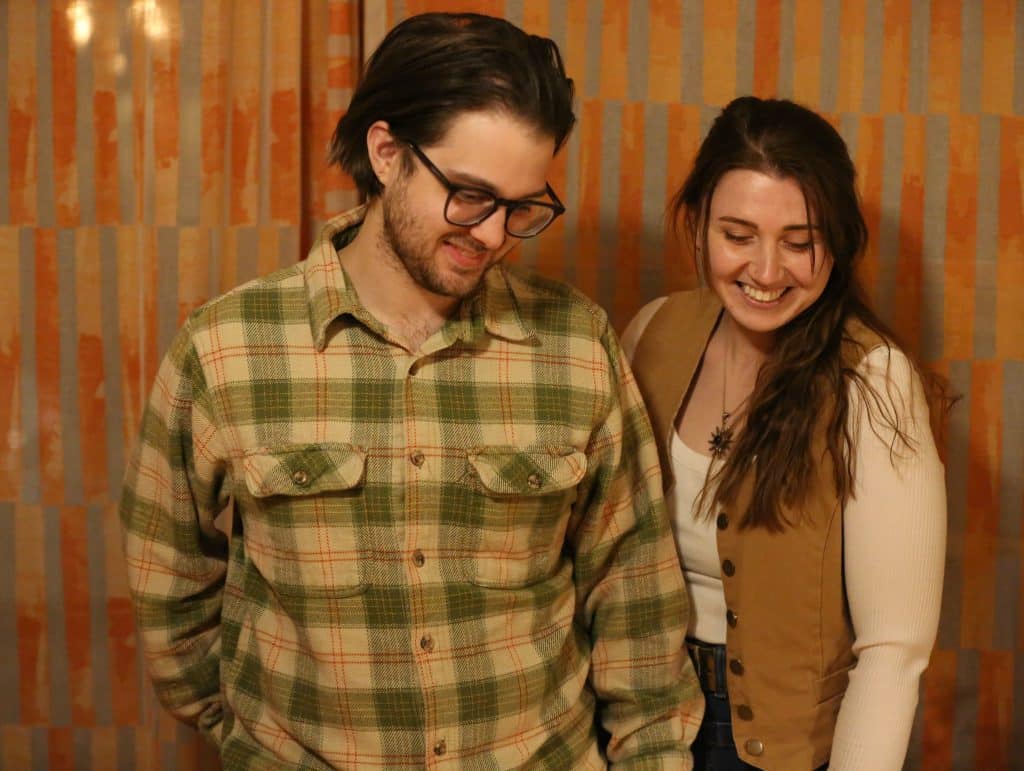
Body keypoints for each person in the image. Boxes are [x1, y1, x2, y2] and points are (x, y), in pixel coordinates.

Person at [120, 12, 702, 769]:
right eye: (469, 194)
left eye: (522, 206)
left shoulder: (578, 346)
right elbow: (170, 587)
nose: (493, 234)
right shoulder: (224, 350)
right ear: (387, 152)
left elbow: (636, 602)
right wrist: (248, 737)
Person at [621, 96, 948, 771]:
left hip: (781, 751)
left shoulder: (874, 380)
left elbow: (895, 649)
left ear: (838, 240)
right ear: (699, 224)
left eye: (799, 242)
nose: (767, 272)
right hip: (641, 719)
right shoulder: (651, 329)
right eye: (737, 236)